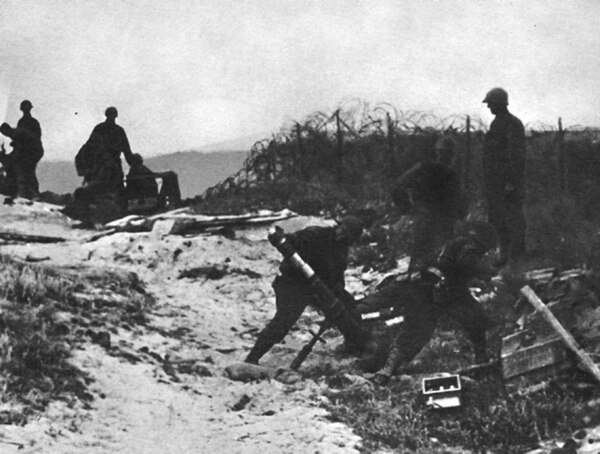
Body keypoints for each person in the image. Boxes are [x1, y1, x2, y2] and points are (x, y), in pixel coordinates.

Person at [359, 221, 498, 386]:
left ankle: (384, 368)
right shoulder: (470, 247)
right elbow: (465, 264)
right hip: (436, 289)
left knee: (419, 331)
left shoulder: (457, 242)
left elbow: (453, 266)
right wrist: (487, 272)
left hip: (434, 287)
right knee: (422, 330)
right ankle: (384, 369)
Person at [245, 216, 366, 365]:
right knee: (283, 321)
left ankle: (354, 347)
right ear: (338, 226)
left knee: (348, 306)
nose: (342, 236)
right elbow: (289, 241)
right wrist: (278, 237)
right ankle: (253, 357)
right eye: (343, 231)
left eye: (347, 236)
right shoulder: (316, 235)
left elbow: (337, 278)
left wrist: (337, 297)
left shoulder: (342, 250)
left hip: (316, 287)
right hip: (292, 284)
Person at [391, 137, 466, 271]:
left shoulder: (425, 167)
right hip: (441, 222)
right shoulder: (451, 175)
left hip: (427, 218)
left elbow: (399, 184)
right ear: (453, 156)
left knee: (421, 258)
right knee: (439, 261)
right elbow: (460, 201)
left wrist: (408, 207)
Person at [482, 88, 527, 266]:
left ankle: (515, 257)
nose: (489, 107)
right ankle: (504, 256)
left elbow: (516, 156)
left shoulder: (512, 124)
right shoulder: (497, 124)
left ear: (500, 103)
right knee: (497, 220)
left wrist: (510, 182)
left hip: (508, 183)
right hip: (495, 182)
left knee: (513, 220)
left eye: (491, 104)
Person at [90, 107, 135, 182]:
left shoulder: (116, 130)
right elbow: (91, 147)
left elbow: (126, 150)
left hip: (110, 166)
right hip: (102, 166)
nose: (112, 117)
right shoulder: (100, 129)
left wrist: (134, 165)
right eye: (111, 115)